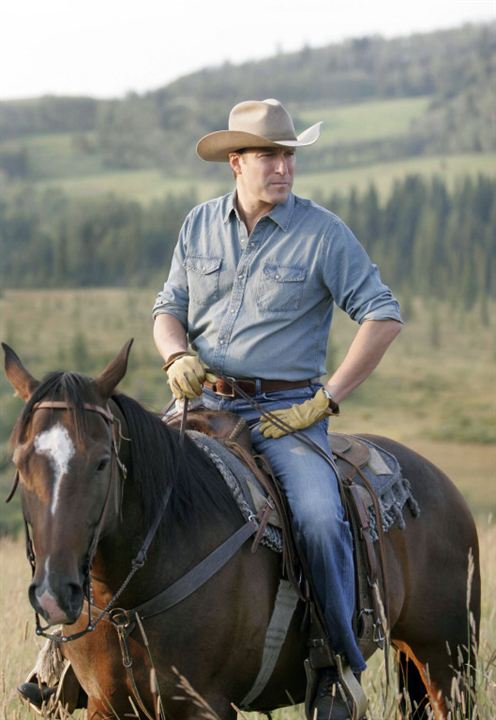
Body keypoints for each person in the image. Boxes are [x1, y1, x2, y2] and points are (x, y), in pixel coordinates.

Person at [152, 98, 402, 719]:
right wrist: (174, 354)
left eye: (288, 156)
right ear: (237, 162)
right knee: (112, 478)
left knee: (318, 519)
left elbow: (382, 313)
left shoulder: (323, 233)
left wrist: (328, 398)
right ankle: (62, 660)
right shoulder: (198, 224)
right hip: (202, 402)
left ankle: (335, 666)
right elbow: (168, 307)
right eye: (269, 156)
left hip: (287, 414)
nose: (283, 168)